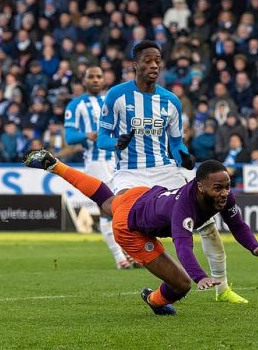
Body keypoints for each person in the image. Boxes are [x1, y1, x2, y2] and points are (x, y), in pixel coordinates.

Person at [23, 151, 258, 315]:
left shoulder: (221, 195)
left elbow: (237, 224)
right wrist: (200, 276)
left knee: (106, 201)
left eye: (227, 186)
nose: (225, 193)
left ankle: (55, 165)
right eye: (219, 188)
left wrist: (254, 247)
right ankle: (153, 299)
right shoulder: (185, 206)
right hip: (130, 228)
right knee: (181, 285)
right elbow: (183, 246)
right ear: (201, 187)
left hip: (141, 195)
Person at [97, 40, 245, 304]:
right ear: (136, 64)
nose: (154, 65)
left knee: (209, 225)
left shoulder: (170, 101)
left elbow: (176, 144)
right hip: (129, 173)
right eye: (148, 60)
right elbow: (102, 139)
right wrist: (116, 142)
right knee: (127, 219)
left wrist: (184, 157)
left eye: (158, 60)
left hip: (165, 170)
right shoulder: (116, 96)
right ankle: (156, 271)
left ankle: (222, 289)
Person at [64, 66, 130, 269]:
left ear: (104, 80)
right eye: (91, 77)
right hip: (95, 163)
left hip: (119, 162)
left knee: (125, 207)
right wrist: (87, 135)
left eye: (98, 76)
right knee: (106, 209)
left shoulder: (111, 103)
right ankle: (120, 258)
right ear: (84, 81)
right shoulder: (76, 105)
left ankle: (129, 252)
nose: (95, 80)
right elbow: (69, 137)